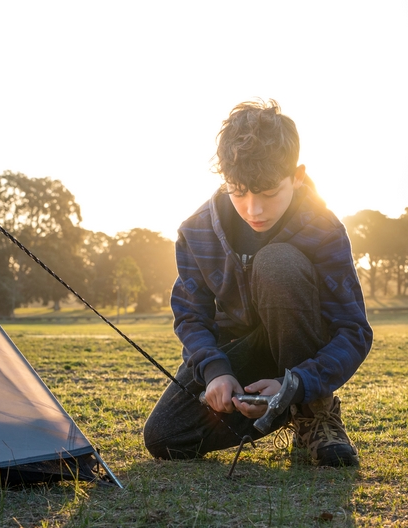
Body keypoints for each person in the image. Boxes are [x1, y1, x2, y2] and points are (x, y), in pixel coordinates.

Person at [144, 99, 372, 467]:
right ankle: (275, 407)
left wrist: (295, 384)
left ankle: (313, 414)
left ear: (297, 175)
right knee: (164, 436)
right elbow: (190, 316)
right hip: (239, 353)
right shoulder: (195, 230)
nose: (254, 209)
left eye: (268, 193)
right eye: (239, 191)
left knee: (277, 261)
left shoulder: (324, 228)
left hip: (303, 353)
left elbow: (353, 330)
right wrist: (217, 373)